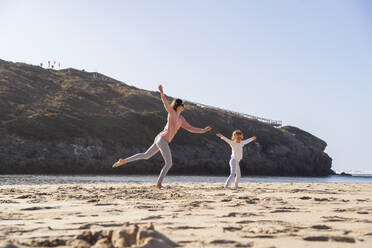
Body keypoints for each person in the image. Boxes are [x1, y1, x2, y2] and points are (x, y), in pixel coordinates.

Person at [113, 85, 212, 188]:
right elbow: (165, 104)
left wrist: (203, 130)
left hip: (160, 138)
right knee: (169, 163)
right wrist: (161, 92)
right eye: (182, 104)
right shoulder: (172, 113)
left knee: (146, 155)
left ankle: (124, 161)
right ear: (178, 106)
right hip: (162, 139)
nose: (184, 106)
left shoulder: (181, 119)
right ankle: (159, 183)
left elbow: (190, 128)